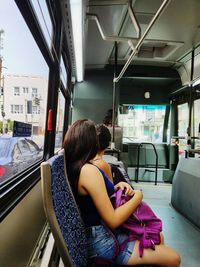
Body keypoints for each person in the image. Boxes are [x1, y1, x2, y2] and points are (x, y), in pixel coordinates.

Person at [63, 119, 181, 266]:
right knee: (173, 258)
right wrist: (138, 197)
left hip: (100, 236)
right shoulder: (89, 171)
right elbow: (113, 220)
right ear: (90, 143)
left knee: (159, 239)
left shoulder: (77, 167)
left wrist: (117, 186)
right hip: (104, 244)